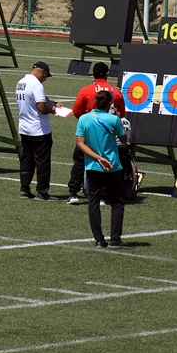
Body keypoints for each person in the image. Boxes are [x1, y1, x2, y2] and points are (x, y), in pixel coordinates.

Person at [76, 90, 134, 248]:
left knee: (93, 202)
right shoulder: (113, 119)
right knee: (117, 202)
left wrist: (97, 158)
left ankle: (99, 239)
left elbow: (80, 143)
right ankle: (115, 238)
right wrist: (119, 119)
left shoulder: (84, 119)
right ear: (109, 104)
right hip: (112, 166)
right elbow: (123, 138)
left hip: (92, 166)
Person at [67, 62, 126, 205]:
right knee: (105, 163)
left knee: (80, 162)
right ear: (107, 74)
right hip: (106, 135)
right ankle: (103, 196)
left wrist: (86, 121)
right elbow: (121, 114)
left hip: (88, 132)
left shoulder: (85, 90)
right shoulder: (116, 91)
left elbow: (77, 112)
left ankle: (74, 193)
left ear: (93, 74)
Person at [16, 61, 63, 201]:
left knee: (26, 160)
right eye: (46, 75)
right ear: (42, 71)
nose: (45, 79)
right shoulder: (36, 84)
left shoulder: (21, 82)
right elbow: (41, 107)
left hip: (25, 128)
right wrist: (52, 109)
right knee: (42, 162)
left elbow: (36, 100)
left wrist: (53, 103)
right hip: (39, 130)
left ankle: (24, 189)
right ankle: (42, 192)